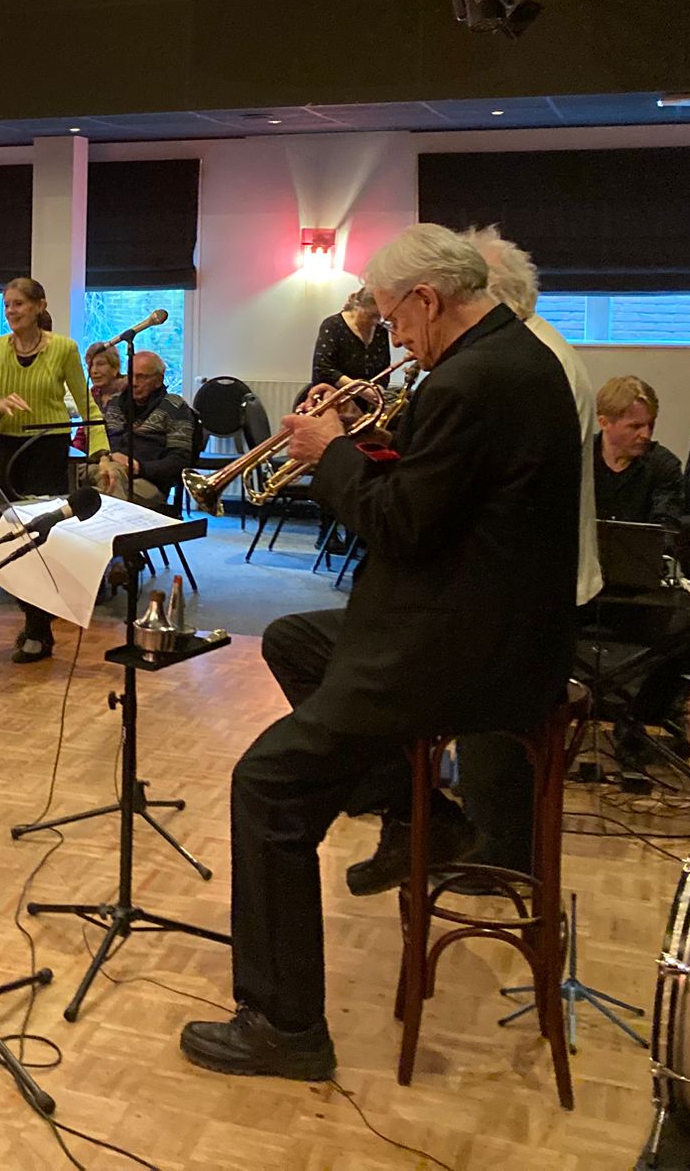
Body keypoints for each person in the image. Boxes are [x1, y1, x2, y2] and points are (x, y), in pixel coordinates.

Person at [180, 224, 580, 1081]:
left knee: (268, 786)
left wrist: (330, 454)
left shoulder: (473, 379)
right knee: (294, 640)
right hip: (488, 627)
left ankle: (285, 1026)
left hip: (461, 648)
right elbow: (437, 488)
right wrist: (358, 439)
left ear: (429, 300)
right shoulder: (508, 359)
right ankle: (415, 810)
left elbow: (399, 524)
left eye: (394, 318)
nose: (393, 337)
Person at [460, 226, 600, 874]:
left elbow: (489, 484)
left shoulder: (527, 365)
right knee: (489, 730)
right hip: (529, 578)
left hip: (522, 587)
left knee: (495, 728)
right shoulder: (536, 351)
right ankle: (486, 838)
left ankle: (497, 858)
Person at [0, 277, 106, 664]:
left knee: (41, 538)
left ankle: (38, 629)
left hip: (47, 450)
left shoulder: (64, 348)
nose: (11, 311)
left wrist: (102, 454)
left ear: (39, 306)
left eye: (19, 304)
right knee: (3, 537)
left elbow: (87, 406)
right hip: (6, 450)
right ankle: (34, 618)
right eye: (7, 305)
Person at [94, 350, 197, 506]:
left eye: (141, 377)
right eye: (131, 376)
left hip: (148, 481)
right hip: (105, 468)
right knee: (74, 471)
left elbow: (180, 462)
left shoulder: (175, 407)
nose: (134, 383)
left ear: (158, 380)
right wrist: (105, 458)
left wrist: (137, 467)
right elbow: (101, 443)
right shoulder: (116, 403)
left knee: (106, 484)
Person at [594, 375, 684, 522]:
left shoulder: (663, 466)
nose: (646, 435)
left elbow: (665, 528)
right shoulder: (579, 459)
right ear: (604, 423)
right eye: (635, 426)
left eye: (650, 425)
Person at [309, 288, 391, 390]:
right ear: (357, 306)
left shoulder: (381, 331)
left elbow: (384, 371)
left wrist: (377, 391)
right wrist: (363, 391)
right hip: (333, 394)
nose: (375, 321)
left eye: (379, 316)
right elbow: (323, 369)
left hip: (370, 396)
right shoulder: (332, 325)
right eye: (371, 315)